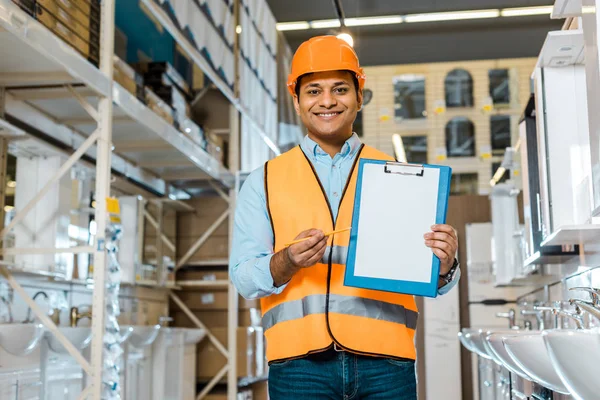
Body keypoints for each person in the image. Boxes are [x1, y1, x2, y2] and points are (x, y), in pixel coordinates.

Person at [230, 35, 461, 399]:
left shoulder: (400, 175)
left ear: (358, 97)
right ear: (297, 100)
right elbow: (244, 278)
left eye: (339, 89)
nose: (327, 101)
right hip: (298, 368)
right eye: (313, 91)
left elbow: (433, 279)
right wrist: (285, 262)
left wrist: (445, 263)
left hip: (387, 364)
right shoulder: (263, 181)